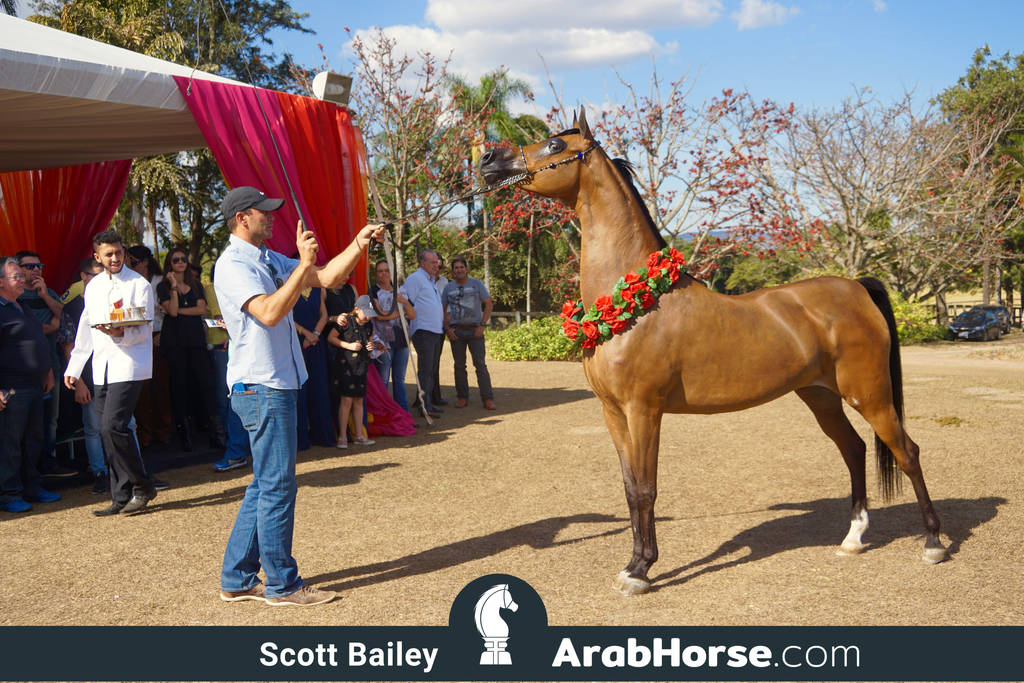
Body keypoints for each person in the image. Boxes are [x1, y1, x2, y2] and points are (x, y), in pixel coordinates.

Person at [214, 185, 384, 607]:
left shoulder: (268, 258)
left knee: (266, 484)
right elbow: (270, 313)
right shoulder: (232, 265)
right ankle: (282, 585)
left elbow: (328, 277)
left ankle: (237, 579)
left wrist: (358, 244)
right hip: (262, 386)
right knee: (277, 486)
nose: (272, 218)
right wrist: (302, 265)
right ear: (242, 218)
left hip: (277, 383)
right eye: (264, 213)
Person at [64, 231, 156, 516]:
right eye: (109, 254)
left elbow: (144, 327)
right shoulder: (92, 287)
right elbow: (84, 329)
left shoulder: (139, 284)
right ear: (97, 257)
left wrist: (120, 333)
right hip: (101, 367)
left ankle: (142, 486)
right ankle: (121, 494)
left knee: (112, 426)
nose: (115, 258)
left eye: (119, 253)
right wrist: (75, 367)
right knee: (107, 432)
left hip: (130, 363)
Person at [0, 257, 61, 513]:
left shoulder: (21, 306)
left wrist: (47, 372)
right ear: (1, 282)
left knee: (34, 440)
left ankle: (31, 487)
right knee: (10, 444)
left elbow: (36, 338)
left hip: (35, 385)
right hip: (12, 388)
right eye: (16, 276)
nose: (22, 279)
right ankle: (8, 493)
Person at [156, 247, 225, 451]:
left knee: (206, 384)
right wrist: (174, 287)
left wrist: (178, 310)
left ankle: (216, 432)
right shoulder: (163, 287)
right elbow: (174, 312)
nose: (180, 262)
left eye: (183, 259)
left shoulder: (196, 285)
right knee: (180, 387)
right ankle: (184, 435)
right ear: (169, 263)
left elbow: (201, 310)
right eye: (175, 259)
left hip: (196, 341)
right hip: (175, 343)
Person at [15, 250, 74, 479]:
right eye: (29, 266)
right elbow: (24, 327)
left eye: (39, 265)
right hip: (24, 369)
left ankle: (48, 464)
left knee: (51, 418)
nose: (36, 270)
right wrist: (49, 326)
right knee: (25, 421)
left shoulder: (48, 292)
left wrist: (45, 296)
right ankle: (26, 470)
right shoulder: (14, 296)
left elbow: (62, 316)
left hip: (52, 363)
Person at [57, 258, 109, 494]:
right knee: (93, 428)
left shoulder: (112, 300)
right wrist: (79, 383)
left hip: (115, 374)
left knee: (127, 424)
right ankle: (100, 473)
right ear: (83, 277)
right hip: (89, 377)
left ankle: (130, 470)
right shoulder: (72, 308)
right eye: (96, 275)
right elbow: (69, 348)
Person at [206, 263, 251, 473]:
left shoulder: (245, 291)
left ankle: (236, 454)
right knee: (237, 401)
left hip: (247, 358)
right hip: (238, 354)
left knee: (237, 403)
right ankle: (238, 452)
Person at [126, 245, 172, 447]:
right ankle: (145, 433)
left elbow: (171, 312)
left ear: (145, 262)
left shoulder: (160, 282)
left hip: (159, 336)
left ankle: (164, 431)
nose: (130, 266)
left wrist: (162, 334)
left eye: (134, 262)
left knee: (161, 387)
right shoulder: (127, 283)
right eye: (129, 262)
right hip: (135, 338)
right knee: (141, 390)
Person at [442, 257, 496, 410]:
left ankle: (487, 399)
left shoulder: (476, 284)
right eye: (456, 268)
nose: (459, 270)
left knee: (480, 365)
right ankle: (462, 397)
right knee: (459, 366)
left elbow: (488, 303)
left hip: (475, 331)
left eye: (461, 267)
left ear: (466, 268)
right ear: (453, 271)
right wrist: (448, 329)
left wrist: (482, 325)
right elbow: (443, 309)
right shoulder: (448, 288)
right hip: (456, 332)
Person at [327, 296, 378, 449]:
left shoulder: (369, 325)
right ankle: (342, 436)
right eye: (366, 313)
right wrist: (347, 345)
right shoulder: (346, 321)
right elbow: (331, 338)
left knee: (359, 401)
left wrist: (370, 346)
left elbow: (369, 340)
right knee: (346, 400)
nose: (368, 317)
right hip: (346, 366)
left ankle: (359, 435)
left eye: (370, 314)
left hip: (361, 366)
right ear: (357, 309)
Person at [368, 258, 415, 410]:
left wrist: (405, 303)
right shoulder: (373, 291)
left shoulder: (401, 291)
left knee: (399, 379)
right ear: (376, 274)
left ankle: (402, 412)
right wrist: (401, 312)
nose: (384, 274)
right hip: (383, 343)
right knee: (383, 380)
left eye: (387, 271)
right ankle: (384, 412)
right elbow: (380, 315)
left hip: (402, 340)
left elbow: (413, 315)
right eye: (380, 271)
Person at [403, 250, 445, 418]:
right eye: (433, 262)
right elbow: (406, 302)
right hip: (423, 330)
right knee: (426, 369)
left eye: (437, 262)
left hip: (435, 330)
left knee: (431, 369)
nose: (437, 265)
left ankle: (426, 402)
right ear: (422, 263)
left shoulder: (431, 280)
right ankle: (424, 405)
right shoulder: (415, 279)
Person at [292, 283, 333, 450]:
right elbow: (285, 317)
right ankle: (301, 439)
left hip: (316, 343)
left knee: (319, 388)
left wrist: (315, 334)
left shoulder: (318, 289)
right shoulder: (289, 288)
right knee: (300, 389)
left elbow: (324, 315)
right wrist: (305, 333)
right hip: (297, 342)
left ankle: (323, 435)